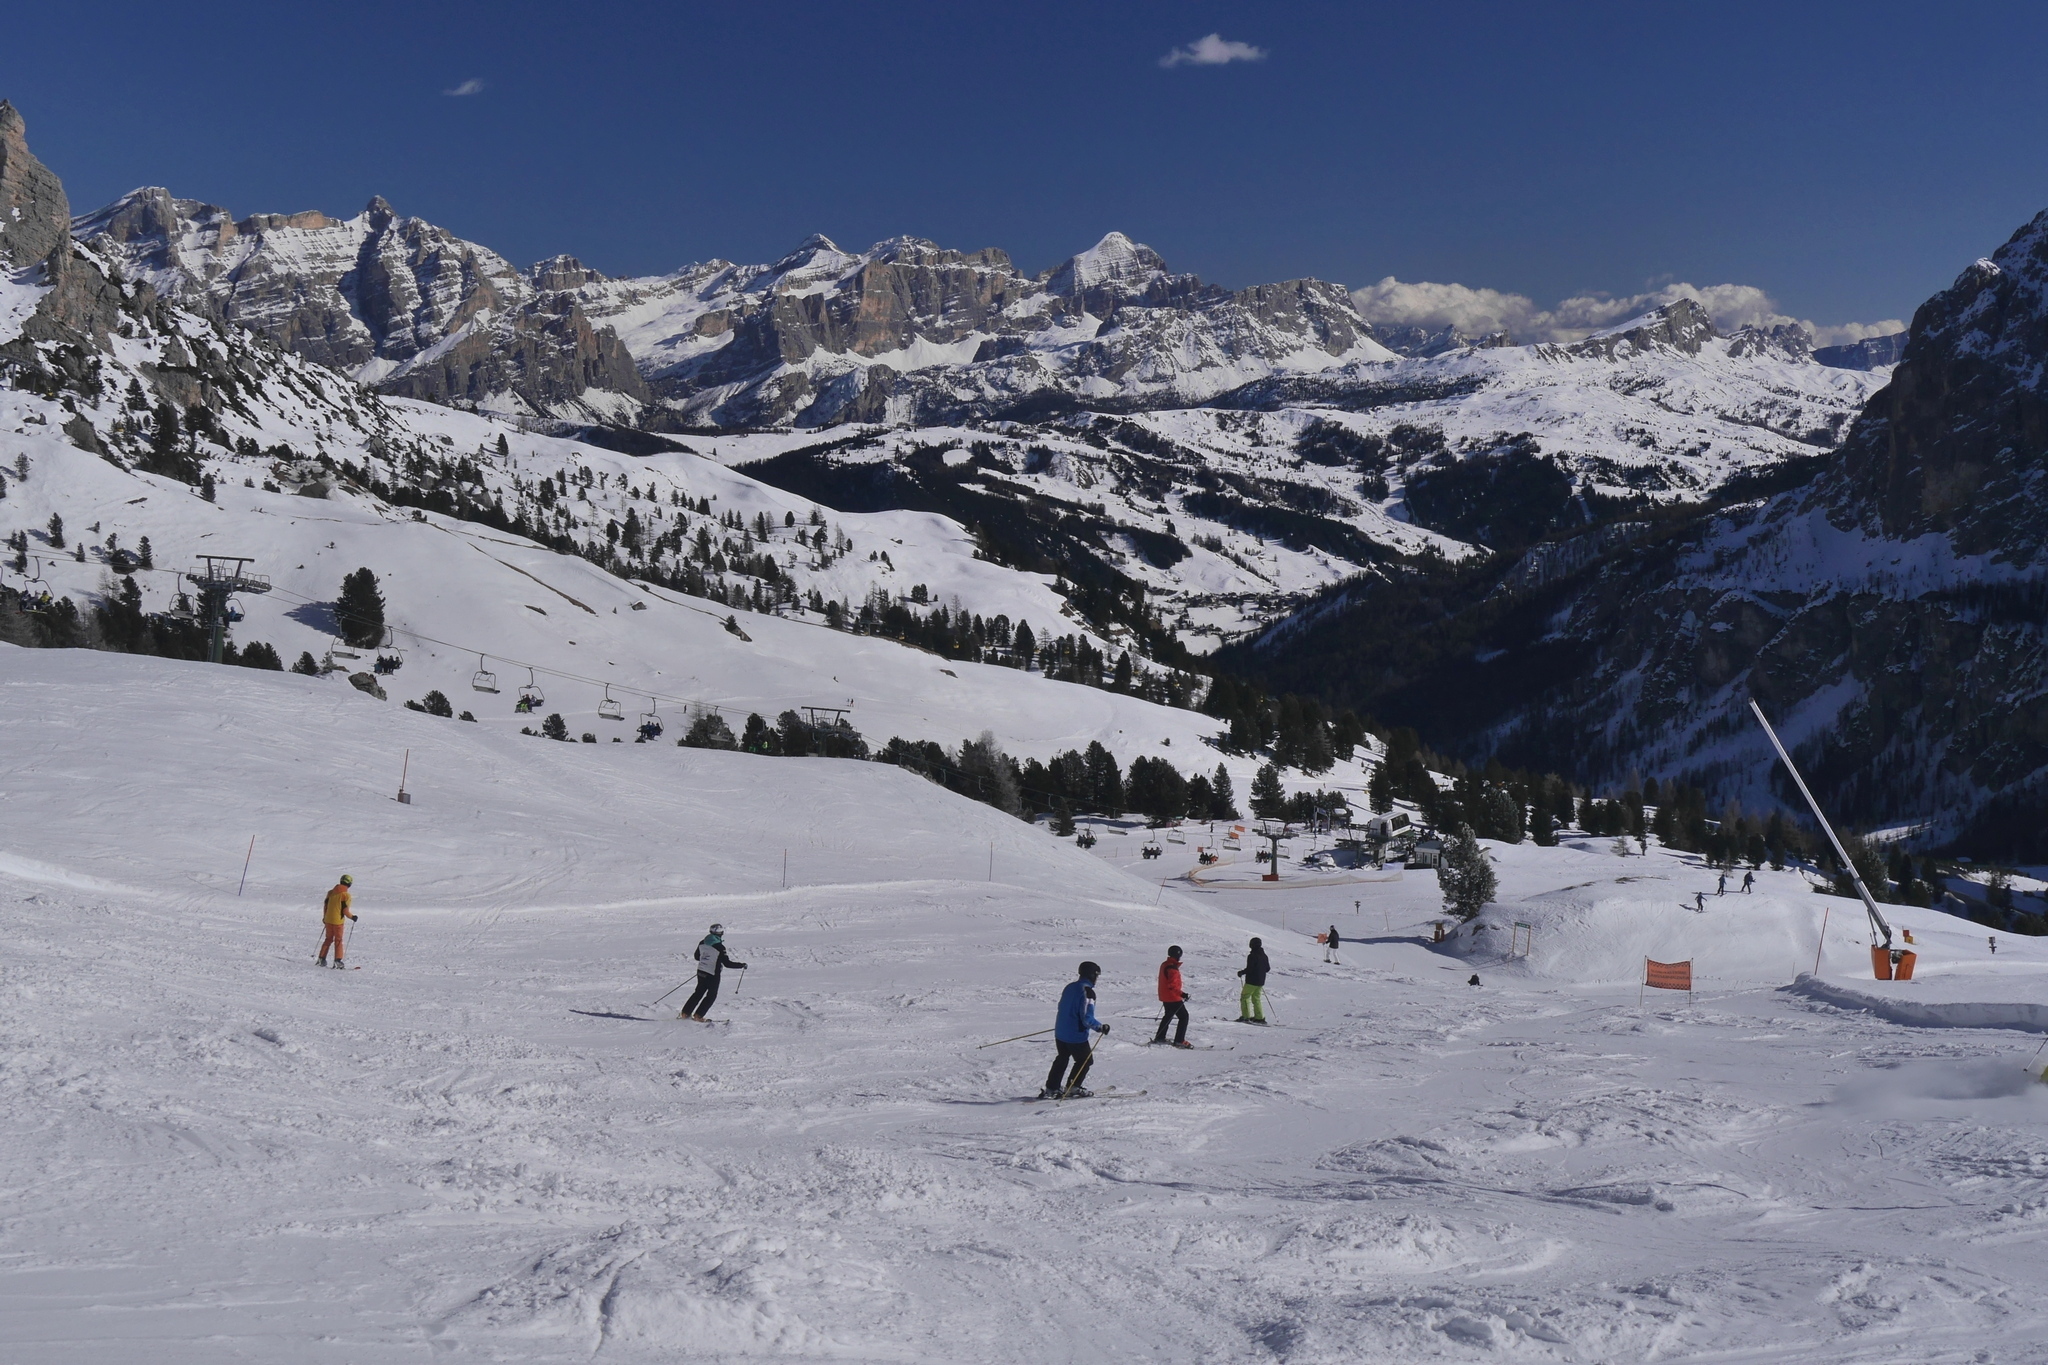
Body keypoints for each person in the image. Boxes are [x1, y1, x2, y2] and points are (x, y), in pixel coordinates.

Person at [1040, 961, 1109, 1098]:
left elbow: (1062, 1007)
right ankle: (1073, 1087)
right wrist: (1100, 1027)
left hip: (1060, 1032)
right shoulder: (1088, 992)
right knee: (1085, 1060)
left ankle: (1052, 1087)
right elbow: (1087, 1018)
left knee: (1062, 1058)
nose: (1097, 979)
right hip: (1075, 1035)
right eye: (1096, 976)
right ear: (1091, 975)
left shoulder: (1070, 987)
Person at [680, 923, 746, 1020]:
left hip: (701, 971)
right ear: (721, 934)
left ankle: (685, 1013)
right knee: (711, 996)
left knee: (698, 993)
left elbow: (697, 957)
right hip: (712, 974)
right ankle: (698, 1016)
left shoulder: (702, 942)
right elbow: (727, 964)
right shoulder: (720, 947)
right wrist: (741, 965)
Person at [1153, 947, 1191, 1048]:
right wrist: (1182, 994)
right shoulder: (1172, 968)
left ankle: (1160, 1037)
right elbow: (1172, 986)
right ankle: (1179, 1040)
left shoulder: (1165, 964)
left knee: (1168, 1016)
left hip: (1165, 996)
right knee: (1184, 1017)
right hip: (1173, 997)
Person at [317, 874, 356, 968]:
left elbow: (326, 906)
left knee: (328, 939)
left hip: (328, 920)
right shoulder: (345, 895)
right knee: (338, 940)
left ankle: (321, 959)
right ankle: (337, 961)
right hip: (338, 922)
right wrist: (352, 917)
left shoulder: (330, 893)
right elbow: (345, 911)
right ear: (349, 884)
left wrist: (325, 917)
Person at [1235, 936, 1270, 1024]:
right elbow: (1267, 969)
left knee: (1245, 997)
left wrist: (1242, 972)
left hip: (1251, 981)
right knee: (1256, 998)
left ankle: (1246, 1016)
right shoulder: (1264, 956)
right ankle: (1259, 1017)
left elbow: (1250, 969)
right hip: (1261, 981)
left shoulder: (1252, 956)